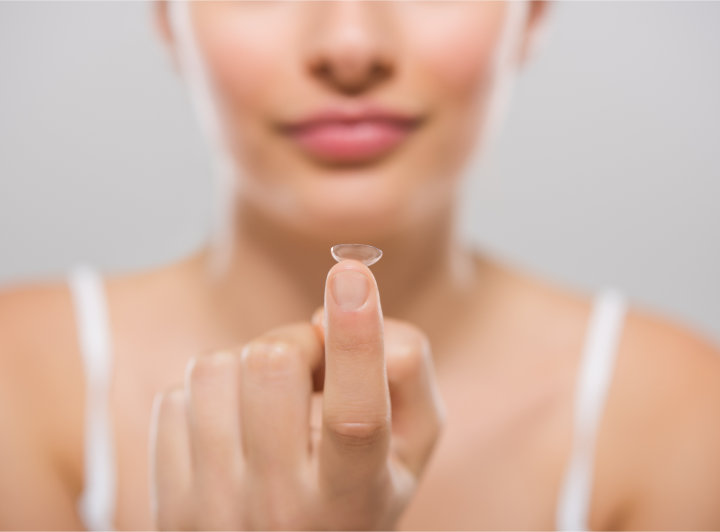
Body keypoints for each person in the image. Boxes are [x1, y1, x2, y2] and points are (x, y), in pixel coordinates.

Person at [1, 0, 719, 530]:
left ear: (532, 15)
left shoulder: (684, 415)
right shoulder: (17, 381)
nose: (350, 45)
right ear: (166, 18)